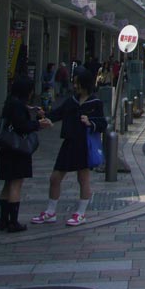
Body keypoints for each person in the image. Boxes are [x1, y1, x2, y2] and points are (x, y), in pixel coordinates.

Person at [32, 68, 107, 227]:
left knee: (83, 179)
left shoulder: (95, 103)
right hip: (69, 142)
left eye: (77, 82)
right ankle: (51, 211)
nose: (74, 85)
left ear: (85, 84)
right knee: (55, 178)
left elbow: (102, 123)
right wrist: (44, 116)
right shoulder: (71, 100)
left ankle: (80, 213)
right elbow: (58, 113)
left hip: (84, 145)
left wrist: (90, 122)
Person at [0, 75, 47, 232]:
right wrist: (38, 124)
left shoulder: (10, 103)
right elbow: (22, 126)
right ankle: (13, 222)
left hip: (6, 149)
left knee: (7, 184)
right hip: (17, 150)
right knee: (16, 184)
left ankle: (3, 220)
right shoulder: (18, 106)